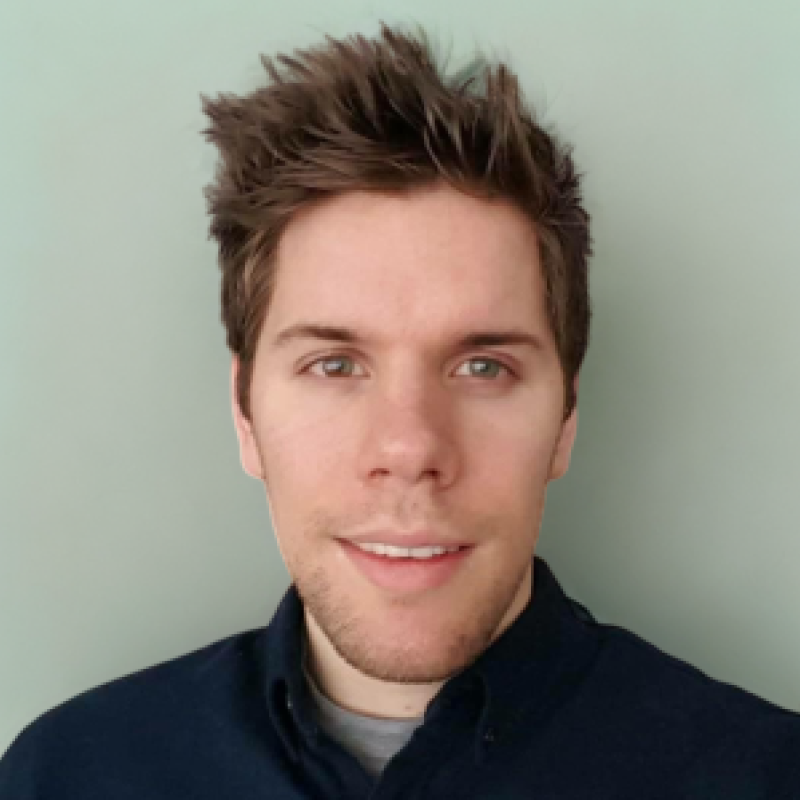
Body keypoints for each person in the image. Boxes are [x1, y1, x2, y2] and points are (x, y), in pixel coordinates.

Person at [1, 21, 798, 799]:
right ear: (245, 416)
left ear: (566, 419)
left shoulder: (763, 776)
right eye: (335, 365)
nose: (410, 447)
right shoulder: (66, 776)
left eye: (483, 367)